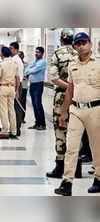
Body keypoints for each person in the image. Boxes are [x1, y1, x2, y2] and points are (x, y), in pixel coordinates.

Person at [55, 32, 100, 196]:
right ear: (74, 47)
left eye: (83, 42)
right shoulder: (72, 65)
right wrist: (63, 113)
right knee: (71, 147)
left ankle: (99, 179)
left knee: (97, 147)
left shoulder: (99, 64)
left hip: (95, 110)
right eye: (78, 44)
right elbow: (69, 90)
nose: (81, 46)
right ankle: (67, 183)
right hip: (76, 110)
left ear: (90, 44)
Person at [47, 28, 80, 179]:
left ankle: (60, 167)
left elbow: (53, 78)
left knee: (60, 129)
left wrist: (68, 86)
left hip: (61, 95)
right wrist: (74, 88)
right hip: (79, 97)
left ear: (60, 40)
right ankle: (77, 168)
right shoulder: (79, 54)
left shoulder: (57, 54)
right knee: (76, 130)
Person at [0, 47, 20, 139]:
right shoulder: (14, 64)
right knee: (11, 110)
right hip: (11, 88)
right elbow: (18, 78)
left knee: (3, 110)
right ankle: (13, 131)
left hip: (2, 88)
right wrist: (16, 89)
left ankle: (4, 131)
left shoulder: (1, 64)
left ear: (2, 54)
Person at [25, 47, 47, 130]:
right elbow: (27, 69)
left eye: (38, 52)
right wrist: (28, 71)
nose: (36, 53)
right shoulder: (33, 62)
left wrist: (29, 71)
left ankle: (43, 124)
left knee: (38, 104)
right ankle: (37, 123)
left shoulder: (43, 62)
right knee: (34, 104)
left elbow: (34, 70)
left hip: (38, 85)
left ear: (42, 53)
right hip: (32, 85)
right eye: (36, 52)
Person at [9, 42, 24, 136]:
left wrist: (16, 89)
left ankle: (17, 129)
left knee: (16, 108)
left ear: (16, 50)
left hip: (16, 86)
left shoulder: (16, 60)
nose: (10, 50)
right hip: (14, 86)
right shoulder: (13, 59)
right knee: (13, 108)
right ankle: (14, 128)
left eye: (11, 48)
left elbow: (18, 77)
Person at [18, 51, 28, 123]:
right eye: (19, 55)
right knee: (17, 102)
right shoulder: (16, 63)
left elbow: (27, 73)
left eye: (21, 55)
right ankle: (17, 117)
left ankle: (22, 118)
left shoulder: (26, 64)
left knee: (23, 102)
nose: (20, 56)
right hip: (17, 85)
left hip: (24, 86)